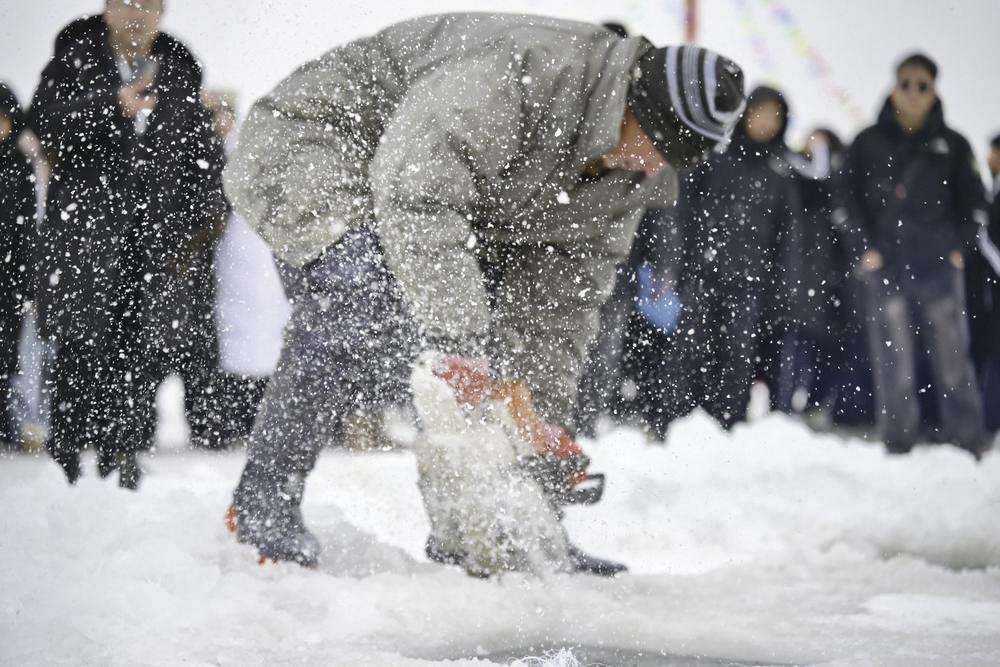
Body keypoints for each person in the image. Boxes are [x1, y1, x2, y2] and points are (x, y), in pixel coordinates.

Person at [223, 13, 745, 569]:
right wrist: (458, 342)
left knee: (490, 358)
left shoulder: (629, 180)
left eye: (673, 159)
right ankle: (262, 503)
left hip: (437, 192)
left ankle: (481, 534)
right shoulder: (524, 72)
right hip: (320, 140)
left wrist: (537, 425)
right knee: (363, 298)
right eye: (655, 143)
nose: (653, 164)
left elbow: (558, 313)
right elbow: (417, 191)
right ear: (632, 103)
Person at [29, 0, 224, 487]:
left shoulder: (179, 68)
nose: (136, 14)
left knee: (137, 353)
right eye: (126, 3)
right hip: (85, 237)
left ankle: (125, 456)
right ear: (107, 8)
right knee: (78, 350)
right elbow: (43, 125)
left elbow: (201, 155)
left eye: (148, 5)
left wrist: (194, 227)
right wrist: (110, 106)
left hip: (152, 240)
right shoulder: (74, 58)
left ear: (162, 11)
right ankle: (67, 460)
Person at [846, 53, 989, 458]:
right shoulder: (867, 142)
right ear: (893, 86)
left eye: (922, 85)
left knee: (953, 360)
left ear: (933, 92)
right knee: (894, 362)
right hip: (887, 265)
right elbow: (846, 199)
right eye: (906, 83)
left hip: (938, 268)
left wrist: (958, 247)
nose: (912, 93)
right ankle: (899, 444)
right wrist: (865, 247)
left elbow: (973, 204)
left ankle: (967, 442)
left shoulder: (954, 145)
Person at [650, 85, 801, 433]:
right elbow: (680, 209)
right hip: (703, 272)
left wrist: (783, 288)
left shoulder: (781, 171)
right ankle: (672, 424)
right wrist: (677, 261)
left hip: (751, 281)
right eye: (759, 113)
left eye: (773, 117)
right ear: (745, 114)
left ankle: (728, 426)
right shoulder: (715, 156)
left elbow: (789, 236)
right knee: (687, 351)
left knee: (737, 356)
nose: (765, 122)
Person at [0, 83, 37, 448]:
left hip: (8, 276)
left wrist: (26, 282)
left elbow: (24, 227)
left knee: (7, 354)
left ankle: (8, 424)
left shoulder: (17, 165)